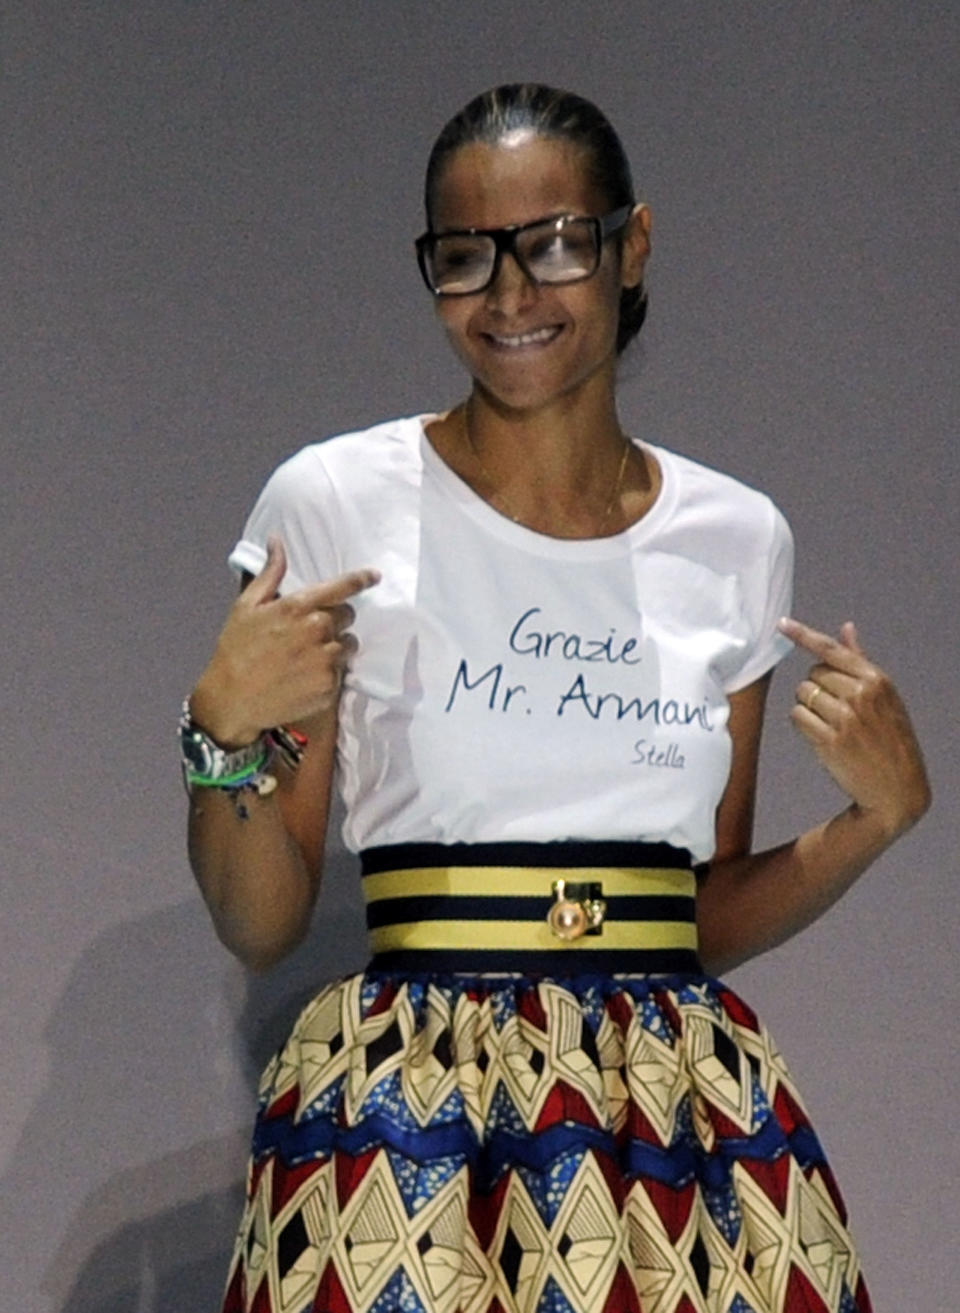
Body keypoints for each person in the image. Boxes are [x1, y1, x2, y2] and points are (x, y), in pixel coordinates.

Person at [184, 84, 930, 1313]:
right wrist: (220, 736)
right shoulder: (333, 503)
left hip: (670, 1116)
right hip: (408, 1117)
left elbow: (696, 915)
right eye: (466, 257)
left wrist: (872, 823)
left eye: (557, 244)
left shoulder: (736, 538)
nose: (513, 294)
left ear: (632, 246)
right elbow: (263, 920)